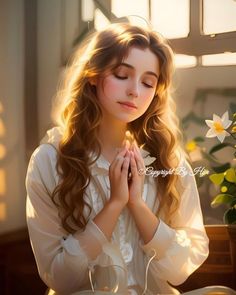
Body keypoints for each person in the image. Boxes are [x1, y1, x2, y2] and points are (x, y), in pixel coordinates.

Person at [26, 23, 209, 295]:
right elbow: (58, 278)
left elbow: (181, 269)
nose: (135, 90)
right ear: (93, 75)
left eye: (148, 82)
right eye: (122, 75)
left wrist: (137, 204)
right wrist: (114, 205)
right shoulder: (50, 161)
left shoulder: (169, 160)